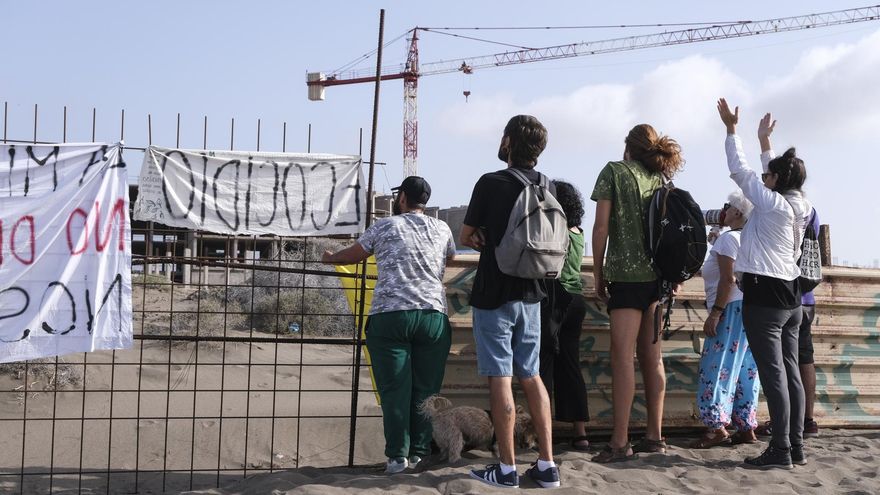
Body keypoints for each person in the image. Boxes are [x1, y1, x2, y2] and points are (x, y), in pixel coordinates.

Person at [321, 176, 456, 474]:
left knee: (395, 388)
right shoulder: (443, 227)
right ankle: (420, 453)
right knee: (426, 390)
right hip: (433, 315)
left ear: (403, 198)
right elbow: (451, 257)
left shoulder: (385, 226)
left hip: (390, 316)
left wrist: (330, 257)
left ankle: (397, 457)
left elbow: (352, 256)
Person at [460, 115, 560, 489]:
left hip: (494, 292)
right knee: (531, 376)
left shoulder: (491, 182)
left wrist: (485, 238)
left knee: (500, 377)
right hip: (533, 293)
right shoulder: (547, 184)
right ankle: (547, 465)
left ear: (507, 142)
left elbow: (467, 233)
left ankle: (505, 470)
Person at [717, 99, 810, 469]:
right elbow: (771, 174)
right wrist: (765, 143)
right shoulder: (799, 203)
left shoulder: (771, 205)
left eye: (769, 176)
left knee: (774, 379)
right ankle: (797, 447)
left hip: (766, 296)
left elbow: (741, 172)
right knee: (791, 375)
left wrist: (731, 131)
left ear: (777, 182)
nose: (765, 178)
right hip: (792, 297)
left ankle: (780, 450)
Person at [589, 123, 684, 463]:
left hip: (627, 279)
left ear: (627, 147)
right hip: (657, 281)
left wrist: (598, 274)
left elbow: (600, 228)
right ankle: (655, 437)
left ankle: (619, 442)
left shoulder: (614, 171)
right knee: (652, 359)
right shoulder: (659, 180)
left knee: (622, 359)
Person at [691, 192, 761, 449]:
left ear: (739, 213)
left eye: (729, 207)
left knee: (716, 366)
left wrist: (716, 312)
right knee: (746, 368)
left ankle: (716, 427)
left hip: (729, 308)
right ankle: (746, 426)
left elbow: (727, 279)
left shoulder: (729, 240)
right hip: (750, 309)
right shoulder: (749, 238)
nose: (724, 210)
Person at [538, 180, 590, 451]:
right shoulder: (579, 231)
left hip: (553, 297)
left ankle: (541, 431)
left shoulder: (554, 229)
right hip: (576, 301)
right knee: (571, 365)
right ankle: (580, 432)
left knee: (543, 363)